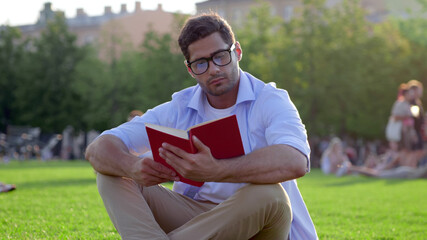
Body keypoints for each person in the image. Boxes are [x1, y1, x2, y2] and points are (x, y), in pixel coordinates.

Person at [85, 13, 317, 240]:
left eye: (220, 56)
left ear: (237, 52)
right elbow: (97, 149)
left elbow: (295, 161)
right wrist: (132, 166)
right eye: (201, 63)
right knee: (111, 172)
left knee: (270, 195)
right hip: (196, 218)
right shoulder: (180, 107)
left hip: (259, 223)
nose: (214, 69)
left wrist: (216, 170)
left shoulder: (270, 99)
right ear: (190, 69)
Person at [407, 80, 424, 150]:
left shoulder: (415, 102)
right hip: (415, 131)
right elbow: (415, 118)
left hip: (417, 130)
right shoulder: (412, 103)